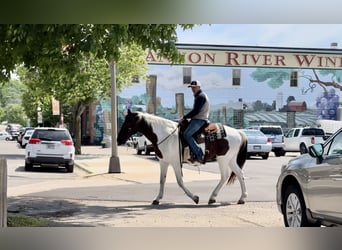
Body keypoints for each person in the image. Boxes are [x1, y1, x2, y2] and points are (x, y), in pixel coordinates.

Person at [179, 80, 210, 164]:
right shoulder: (199, 96)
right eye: (192, 87)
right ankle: (190, 154)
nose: (193, 89)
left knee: (186, 134)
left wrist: (184, 117)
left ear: (199, 87)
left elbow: (196, 110)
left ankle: (199, 154)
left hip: (200, 119)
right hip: (198, 118)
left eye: (194, 87)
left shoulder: (200, 96)